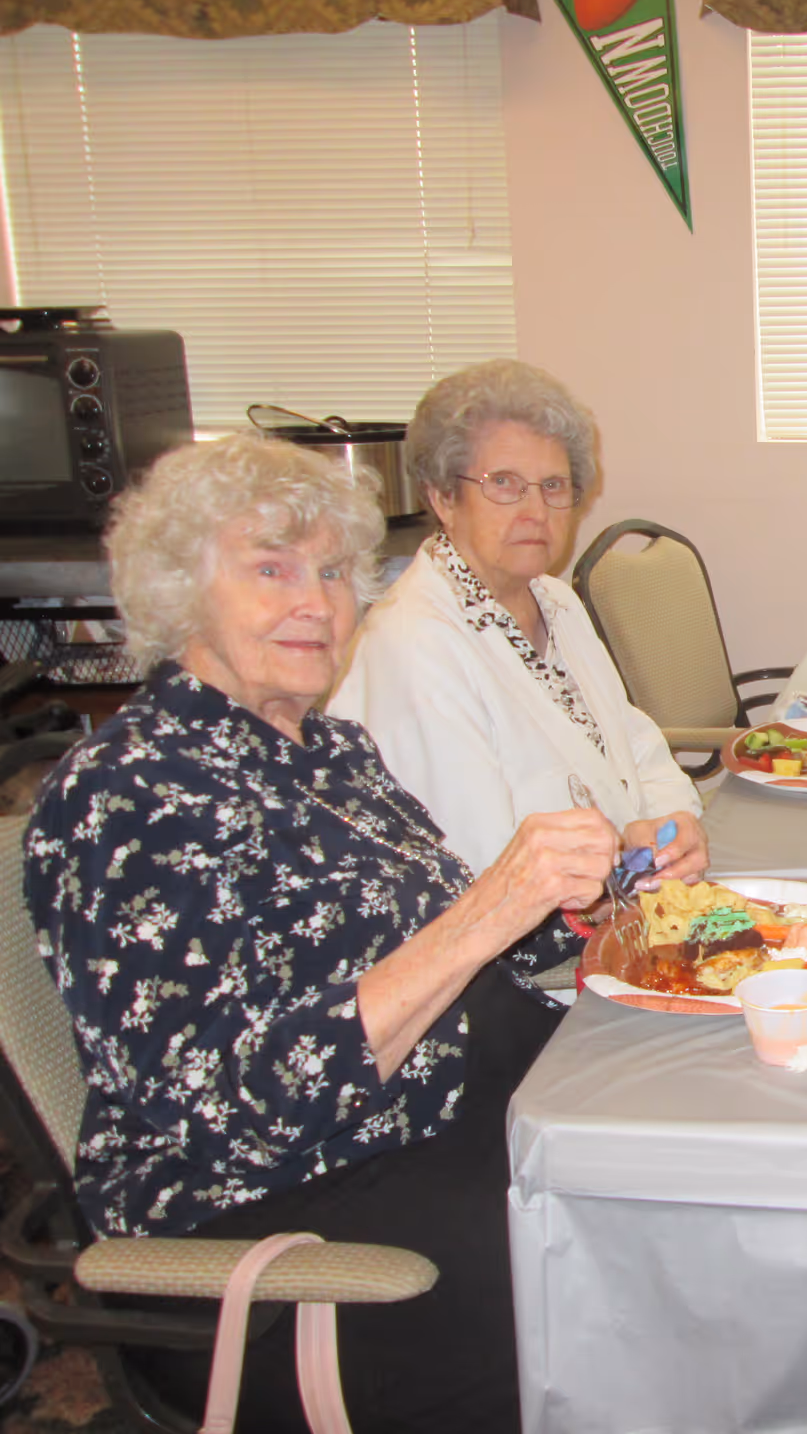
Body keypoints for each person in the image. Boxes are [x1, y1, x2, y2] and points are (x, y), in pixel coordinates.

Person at [24, 434, 621, 1432]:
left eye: (337, 571)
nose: (318, 600)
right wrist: (482, 916)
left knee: (696, 1164)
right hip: (281, 1211)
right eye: (270, 568)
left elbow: (452, 946)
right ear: (179, 591)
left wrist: (579, 905)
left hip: (448, 1111)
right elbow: (228, 1100)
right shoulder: (130, 794)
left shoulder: (330, 752)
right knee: (626, 1277)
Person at [330, 358, 709, 883]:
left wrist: (673, 823)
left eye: (553, 486)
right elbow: (477, 866)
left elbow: (632, 741)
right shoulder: (413, 644)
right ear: (443, 497)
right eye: (503, 483)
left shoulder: (553, 600)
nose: (535, 510)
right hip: (527, 948)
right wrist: (623, 859)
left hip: (621, 899)